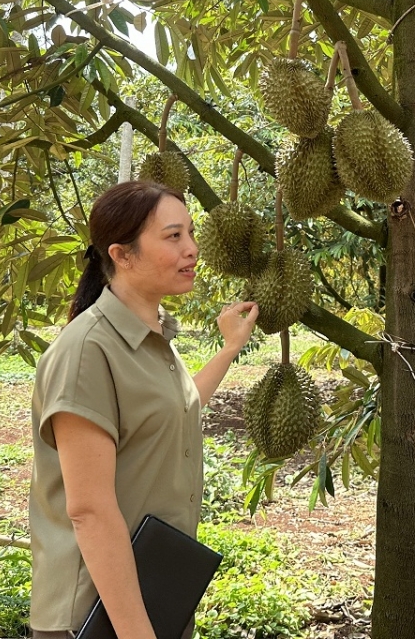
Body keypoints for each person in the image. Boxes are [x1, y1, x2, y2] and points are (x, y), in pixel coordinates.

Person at [29, 180, 258, 639]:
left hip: (151, 595)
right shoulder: (87, 352)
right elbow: (89, 510)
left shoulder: (151, 336)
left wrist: (230, 349)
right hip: (96, 615)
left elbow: (178, 408)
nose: (192, 250)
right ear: (123, 254)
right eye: (173, 237)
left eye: (191, 234)